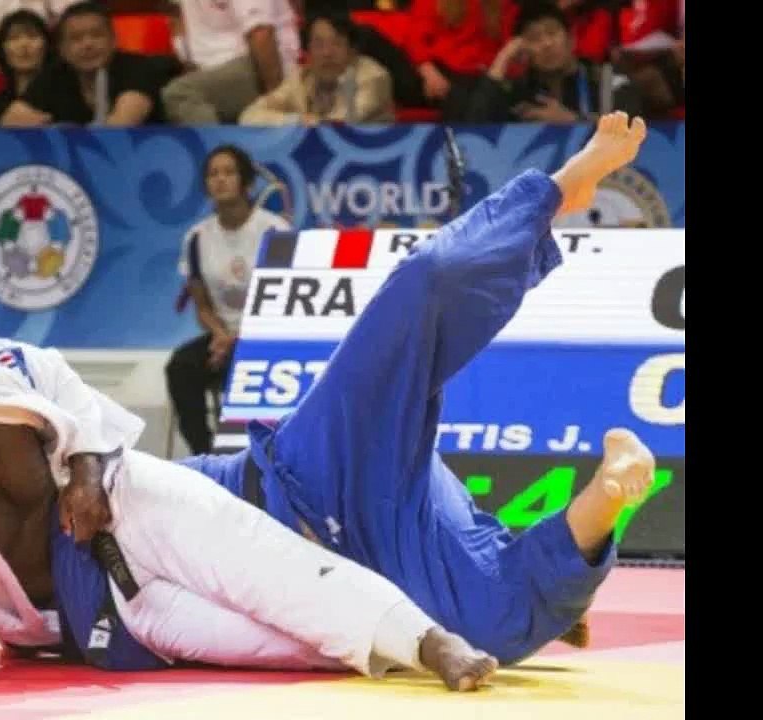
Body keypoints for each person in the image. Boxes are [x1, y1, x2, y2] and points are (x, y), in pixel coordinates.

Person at [179, 111, 655, 666]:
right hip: (375, 548)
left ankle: (555, 191)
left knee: (422, 287)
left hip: (311, 465)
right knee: (493, 626)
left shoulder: (149, 498)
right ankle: (609, 493)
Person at [0, 340, 499, 691]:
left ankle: (429, 641)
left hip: (122, 501)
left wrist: (89, 470)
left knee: (266, 565)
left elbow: (65, 385)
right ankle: (402, 646)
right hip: (88, 607)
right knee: (264, 645)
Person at [168, 145, 290, 456]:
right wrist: (221, 335)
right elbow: (203, 306)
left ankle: (269, 456)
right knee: (181, 367)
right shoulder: (197, 237)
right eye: (212, 174)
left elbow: (286, 300)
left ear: (247, 182)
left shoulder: (274, 230)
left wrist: (239, 338)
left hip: (266, 338)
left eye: (228, 172)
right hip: (221, 338)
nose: (220, 180)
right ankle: (206, 456)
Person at [466, 3, 642, 123]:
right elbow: (474, 132)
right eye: (534, 38)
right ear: (523, 50)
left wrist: (573, 122)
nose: (546, 44)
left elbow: (636, 137)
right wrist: (502, 60)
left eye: (552, 32)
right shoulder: (519, 93)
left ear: (571, 39)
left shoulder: (610, 83)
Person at [0, 2, 167, 126]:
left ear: (114, 40)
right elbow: (10, 123)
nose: (87, 45)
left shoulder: (137, 67)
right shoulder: (54, 75)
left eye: (96, 35)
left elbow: (120, 127)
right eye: (76, 38)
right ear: (62, 49)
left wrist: (62, 130)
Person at [240, 9, 394, 125]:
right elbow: (249, 116)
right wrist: (297, 120)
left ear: (353, 50)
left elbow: (341, 123)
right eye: (319, 45)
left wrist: (309, 122)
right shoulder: (301, 78)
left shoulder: (373, 77)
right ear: (308, 51)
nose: (327, 53)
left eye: (337, 44)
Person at [162, 0, 301, 125]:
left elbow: (261, 34)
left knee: (180, 94)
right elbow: (177, 21)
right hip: (211, 71)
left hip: (257, 63)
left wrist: (278, 96)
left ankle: (221, 152)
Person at [403, 0, 518, 120]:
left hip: (488, 72)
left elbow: (507, 44)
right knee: (465, 97)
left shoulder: (503, 4)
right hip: (446, 70)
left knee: (494, 95)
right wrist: (429, 73)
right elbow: (415, 39)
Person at [0, 10, 53, 125]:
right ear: (2, 49)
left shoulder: (65, 101)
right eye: (13, 38)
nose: (24, 44)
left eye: (32, 36)